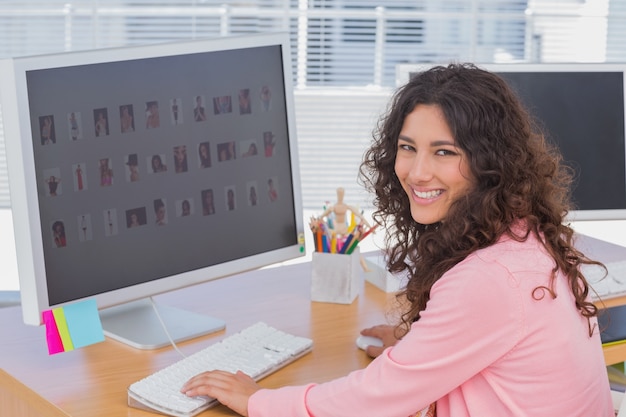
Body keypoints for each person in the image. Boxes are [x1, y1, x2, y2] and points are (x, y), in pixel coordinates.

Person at [180, 63, 613, 416]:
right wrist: (420, 350)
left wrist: (258, 401)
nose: (417, 172)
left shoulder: (490, 277)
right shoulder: (524, 235)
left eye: (444, 152)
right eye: (408, 148)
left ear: (490, 163)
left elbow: (371, 402)